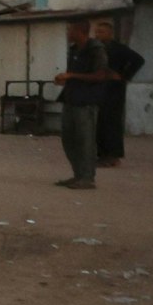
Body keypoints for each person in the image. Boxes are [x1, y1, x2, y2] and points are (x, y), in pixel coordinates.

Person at [53, 20, 114, 190]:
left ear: (79, 30)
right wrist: (64, 79)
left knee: (85, 140)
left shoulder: (95, 49)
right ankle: (78, 174)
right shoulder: (74, 50)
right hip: (71, 99)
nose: (67, 33)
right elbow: (75, 75)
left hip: (86, 101)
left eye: (70, 29)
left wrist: (71, 76)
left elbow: (100, 76)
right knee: (69, 139)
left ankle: (87, 177)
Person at [92, 18, 145, 168]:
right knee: (100, 123)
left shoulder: (118, 48)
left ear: (110, 34)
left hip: (114, 89)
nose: (97, 35)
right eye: (96, 32)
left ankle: (113, 156)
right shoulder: (97, 48)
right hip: (100, 88)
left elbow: (138, 60)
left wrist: (124, 76)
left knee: (112, 123)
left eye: (101, 32)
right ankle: (102, 155)